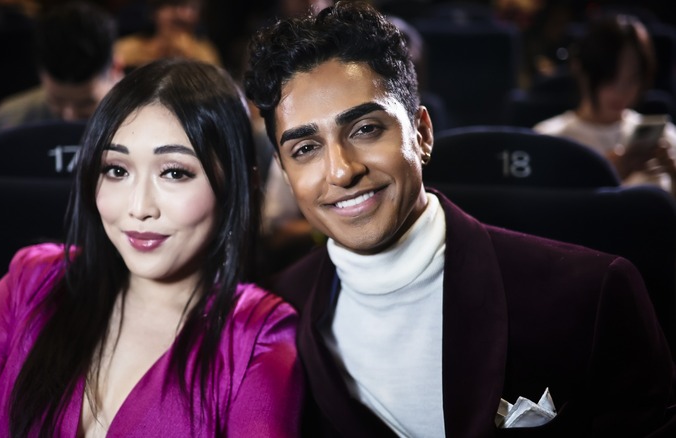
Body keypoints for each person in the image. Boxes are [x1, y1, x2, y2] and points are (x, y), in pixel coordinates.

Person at [243, 2, 676, 436]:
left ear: (422, 133)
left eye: (366, 129)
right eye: (305, 149)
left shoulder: (593, 295)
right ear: (285, 171)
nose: (341, 170)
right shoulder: (273, 316)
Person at [0, 58, 302, 437]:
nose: (139, 208)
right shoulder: (31, 284)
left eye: (175, 172)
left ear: (239, 185)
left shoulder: (259, 337)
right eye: (117, 170)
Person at [0, 0, 124, 174]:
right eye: (56, 100)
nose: (68, 117)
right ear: (41, 74)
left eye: (86, 103)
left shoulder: (142, 119)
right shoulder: (11, 117)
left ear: (116, 69)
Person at [533, 13, 676, 197]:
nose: (621, 91)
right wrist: (604, 176)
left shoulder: (664, 137)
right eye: (610, 78)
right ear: (582, 70)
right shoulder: (550, 139)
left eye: (632, 79)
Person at [114, 0, 221, 72]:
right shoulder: (126, 49)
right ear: (154, 12)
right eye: (174, 5)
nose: (182, 14)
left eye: (192, 7)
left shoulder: (205, 54)